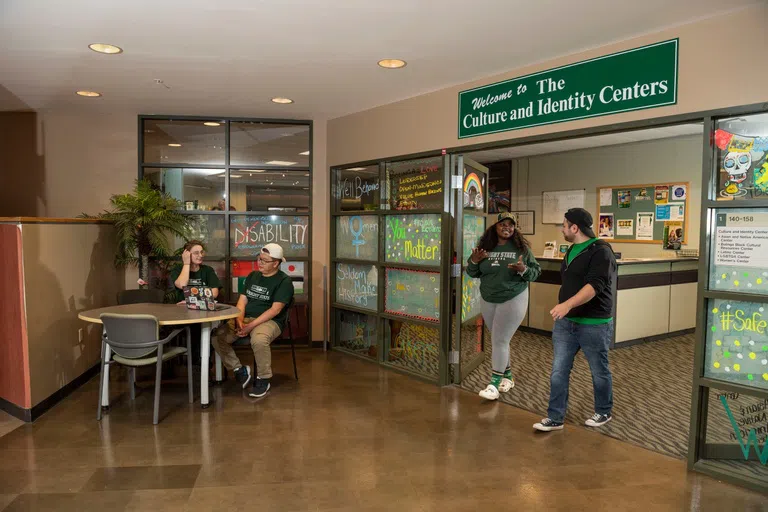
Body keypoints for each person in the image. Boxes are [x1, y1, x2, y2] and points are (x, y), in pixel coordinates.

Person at [534, 208, 616, 432]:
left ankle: (603, 411)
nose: (562, 229)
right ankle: (555, 417)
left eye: (564, 225)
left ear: (575, 227)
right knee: (559, 370)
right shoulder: (571, 250)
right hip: (566, 323)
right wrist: (566, 308)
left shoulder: (601, 251)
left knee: (599, 370)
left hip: (594, 324)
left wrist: (567, 304)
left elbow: (594, 287)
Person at [467, 212, 541, 400]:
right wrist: (474, 261)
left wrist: (523, 269)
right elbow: (472, 272)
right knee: (500, 340)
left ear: (514, 228)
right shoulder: (485, 247)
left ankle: (493, 384)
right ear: (495, 226)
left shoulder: (521, 249)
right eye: (503, 224)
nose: (507, 227)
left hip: (513, 297)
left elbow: (535, 272)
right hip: (488, 297)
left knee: (499, 340)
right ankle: (507, 377)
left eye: (511, 225)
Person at [212, 243, 294, 398]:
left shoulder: (284, 282)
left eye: (264, 260)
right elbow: (242, 302)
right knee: (217, 337)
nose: (259, 263)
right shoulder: (252, 276)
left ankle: (264, 378)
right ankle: (239, 370)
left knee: (258, 340)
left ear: (276, 263)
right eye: (259, 259)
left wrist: (250, 327)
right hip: (247, 319)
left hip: (270, 321)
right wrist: (239, 321)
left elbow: (274, 310)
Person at [170, 240, 223, 362]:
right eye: (196, 253)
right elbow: (182, 284)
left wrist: (191, 301)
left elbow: (214, 293)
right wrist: (187, 264)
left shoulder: (207, 270)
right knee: (194, 329)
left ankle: (202, 364)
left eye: (201, 252)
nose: (200, 255)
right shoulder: (178, 270)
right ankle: (197, 363)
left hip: (205, 312)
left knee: (205, 330)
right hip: (184, 314)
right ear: (187, 254)